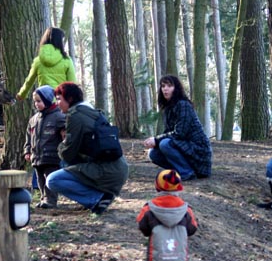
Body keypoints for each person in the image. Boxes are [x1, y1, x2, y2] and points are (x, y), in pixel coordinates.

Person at [46, 82, 129, 214]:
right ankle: (98, 196)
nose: (57, 103)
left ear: (70, 99)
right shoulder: (92, 112)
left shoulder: (75, 116)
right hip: (119, 169)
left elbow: (68, 153)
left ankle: (96, 199)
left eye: (59, 99)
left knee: (53, 180)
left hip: (107, 171)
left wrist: (61, 144)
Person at [136, 169, 198, 261]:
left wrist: (148, 233)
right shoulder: (186, 209)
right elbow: (192, 227)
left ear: (157, 186)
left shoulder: (149, 207)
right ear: (179, 186)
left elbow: (142, 224)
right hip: (178, 248)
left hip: (157, 247)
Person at [143, 75, 212, 181]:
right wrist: (154, 142)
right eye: (163, 86)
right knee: (153, 153)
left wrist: (156, 140)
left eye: (169, 86)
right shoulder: (169, 108)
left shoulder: (183, 105)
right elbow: (169, 133)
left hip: (198, 151)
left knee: (164, 144)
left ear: (176, 88)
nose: (165, 88)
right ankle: (181, 171)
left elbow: (180, 133)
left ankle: (186, 172)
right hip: (185, 148)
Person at [24, 85, 66, 209]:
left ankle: (51, 200)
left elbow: (66, 133)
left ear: (48, 101)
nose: (36, 104)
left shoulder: (59, 116)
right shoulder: (34, 119)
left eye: (39, 101)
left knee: (50, 179)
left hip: (52, 156)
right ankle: (43, 198)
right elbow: (28, 137)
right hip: (36, 156)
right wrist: (27, 151)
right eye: (35, 102)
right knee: (40, 179)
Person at [16, 27, 76, 101]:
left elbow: (29, 81)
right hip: (61, 102)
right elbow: (72, 83)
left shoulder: (38, 61)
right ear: (59, 42)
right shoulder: (67, 60)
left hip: (44, 100)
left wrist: (21, 94)